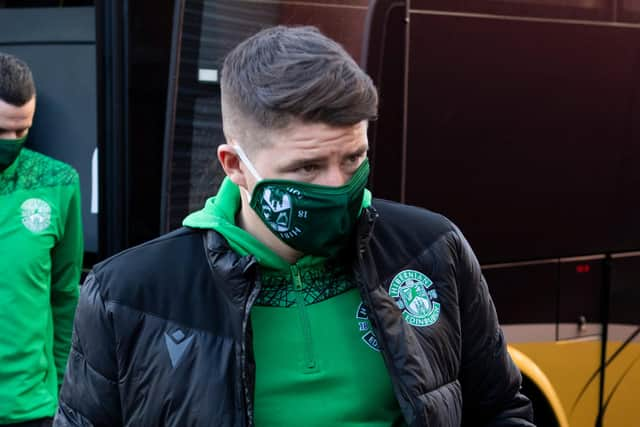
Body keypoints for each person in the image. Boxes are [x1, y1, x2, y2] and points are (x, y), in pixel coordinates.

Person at [54, 26, 534, 426]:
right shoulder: (128, 295)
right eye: (307, 168)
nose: (338, 186)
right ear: (234, 165)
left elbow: (499, 410)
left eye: (353, 158)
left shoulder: (432, 249)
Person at [0, 53, 83, 427]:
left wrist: (65, 389)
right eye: (0, 131)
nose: (11, 142)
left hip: (32, 408)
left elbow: (65, 293)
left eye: (22, 130)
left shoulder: (59, 183)